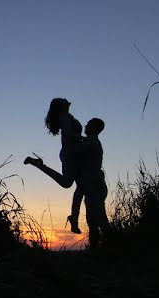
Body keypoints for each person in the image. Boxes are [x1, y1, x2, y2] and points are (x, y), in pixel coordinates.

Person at [24, 98, 109, 246]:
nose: (67, 99)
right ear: (60, 104)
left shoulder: (76, 126)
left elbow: (74, 138)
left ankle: (76, 221)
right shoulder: (65, 117)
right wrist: (83, 139)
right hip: (71, 154)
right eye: (63, 99)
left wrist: (85, 141)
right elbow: (69, 135)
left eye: (89, 123)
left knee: (79, 188)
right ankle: (78, 222)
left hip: (79, 161)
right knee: (69, 184)